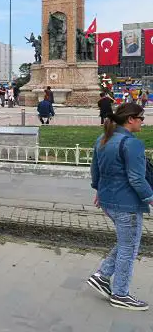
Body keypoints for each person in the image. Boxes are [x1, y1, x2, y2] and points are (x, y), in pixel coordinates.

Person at [87, 103, 152, 311]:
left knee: (127, 242)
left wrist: (98, 190)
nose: (144, 121)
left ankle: (102, 276)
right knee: (129, 248)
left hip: (108, 201)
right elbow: (137, 179)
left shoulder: (103, 138)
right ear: (131, 119)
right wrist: (151, 198)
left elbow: (95, 171)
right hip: (127, 203)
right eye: (141, 117)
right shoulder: (132, 144)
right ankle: (121, 294)